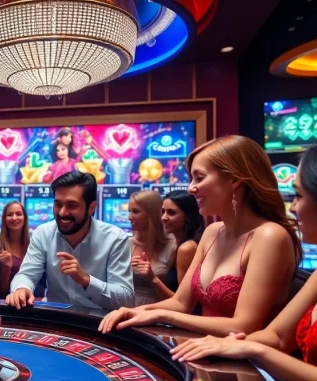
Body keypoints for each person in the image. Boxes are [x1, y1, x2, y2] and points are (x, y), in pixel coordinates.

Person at [169, 138, 317, 381]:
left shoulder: (270, 235)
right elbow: (276, 337)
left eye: (298, 195)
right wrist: (221, 346)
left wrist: (252, 348)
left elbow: (257, 337)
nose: (293, 207)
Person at [99, 135, 301, 336]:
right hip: (203, 351)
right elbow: (181, 303)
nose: (190, 188)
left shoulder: (270, 236)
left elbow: (243, 327)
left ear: (235, 180)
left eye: (199, 178)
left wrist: (162, 316)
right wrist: (130, 312)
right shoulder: (213, 232)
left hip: (247, 364)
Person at [7, 171, 134, 310]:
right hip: (57, 320)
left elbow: (126, 300)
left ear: (91, 207)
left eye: (71, 206)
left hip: (100, 324)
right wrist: (21, 288)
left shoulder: (115, 239)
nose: (62, 212)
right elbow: (26, 275)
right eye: (58, 204)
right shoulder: (43, 233)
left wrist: (86, 280)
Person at [128, 190, 176, 305]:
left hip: (159, 314)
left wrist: (152, 277)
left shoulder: (173, 246)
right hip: (126, 310)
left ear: (152, 213)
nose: (129, 217)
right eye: (129, 211)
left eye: (135, 211)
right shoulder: (127, 244)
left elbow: (181, 301)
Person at [160, 191, 204, 293]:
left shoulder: (187, 248)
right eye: (163, 212)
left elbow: (183, 302)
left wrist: (152, 279)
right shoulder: (181, 244)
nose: (163, 217)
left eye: (171, 213)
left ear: (188, 216)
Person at [0, 201, 30, 294]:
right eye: (10, 215)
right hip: (6, 302)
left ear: (25, 218)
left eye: (19, 214)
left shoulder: (34, 245)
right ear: (4, 219)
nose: (14, 218)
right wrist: (6, 269)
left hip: (33, 300)